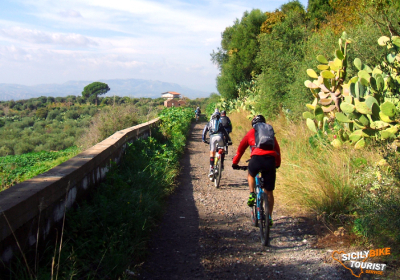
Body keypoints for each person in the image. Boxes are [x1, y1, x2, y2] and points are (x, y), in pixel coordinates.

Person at [231, 115, 281, 226]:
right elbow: (277, 150)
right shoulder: (270, 134)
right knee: (269, 191)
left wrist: (235, 163)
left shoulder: (251, 133)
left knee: (251, 174)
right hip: (270, 161)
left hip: (256, 159)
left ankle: (252, 193)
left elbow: (240, 150)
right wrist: (277, 164)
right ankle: (269, 217)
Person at [202, 112, 231, 180]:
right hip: (220, 137)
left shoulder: (209, 123)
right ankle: (222, 164)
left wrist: (204, 140)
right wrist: (229, 140)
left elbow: (204, 132)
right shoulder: (220, 123)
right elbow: (225, 133)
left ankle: (211, 168)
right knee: (222, 149)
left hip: (212, 138)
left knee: (212, 152)